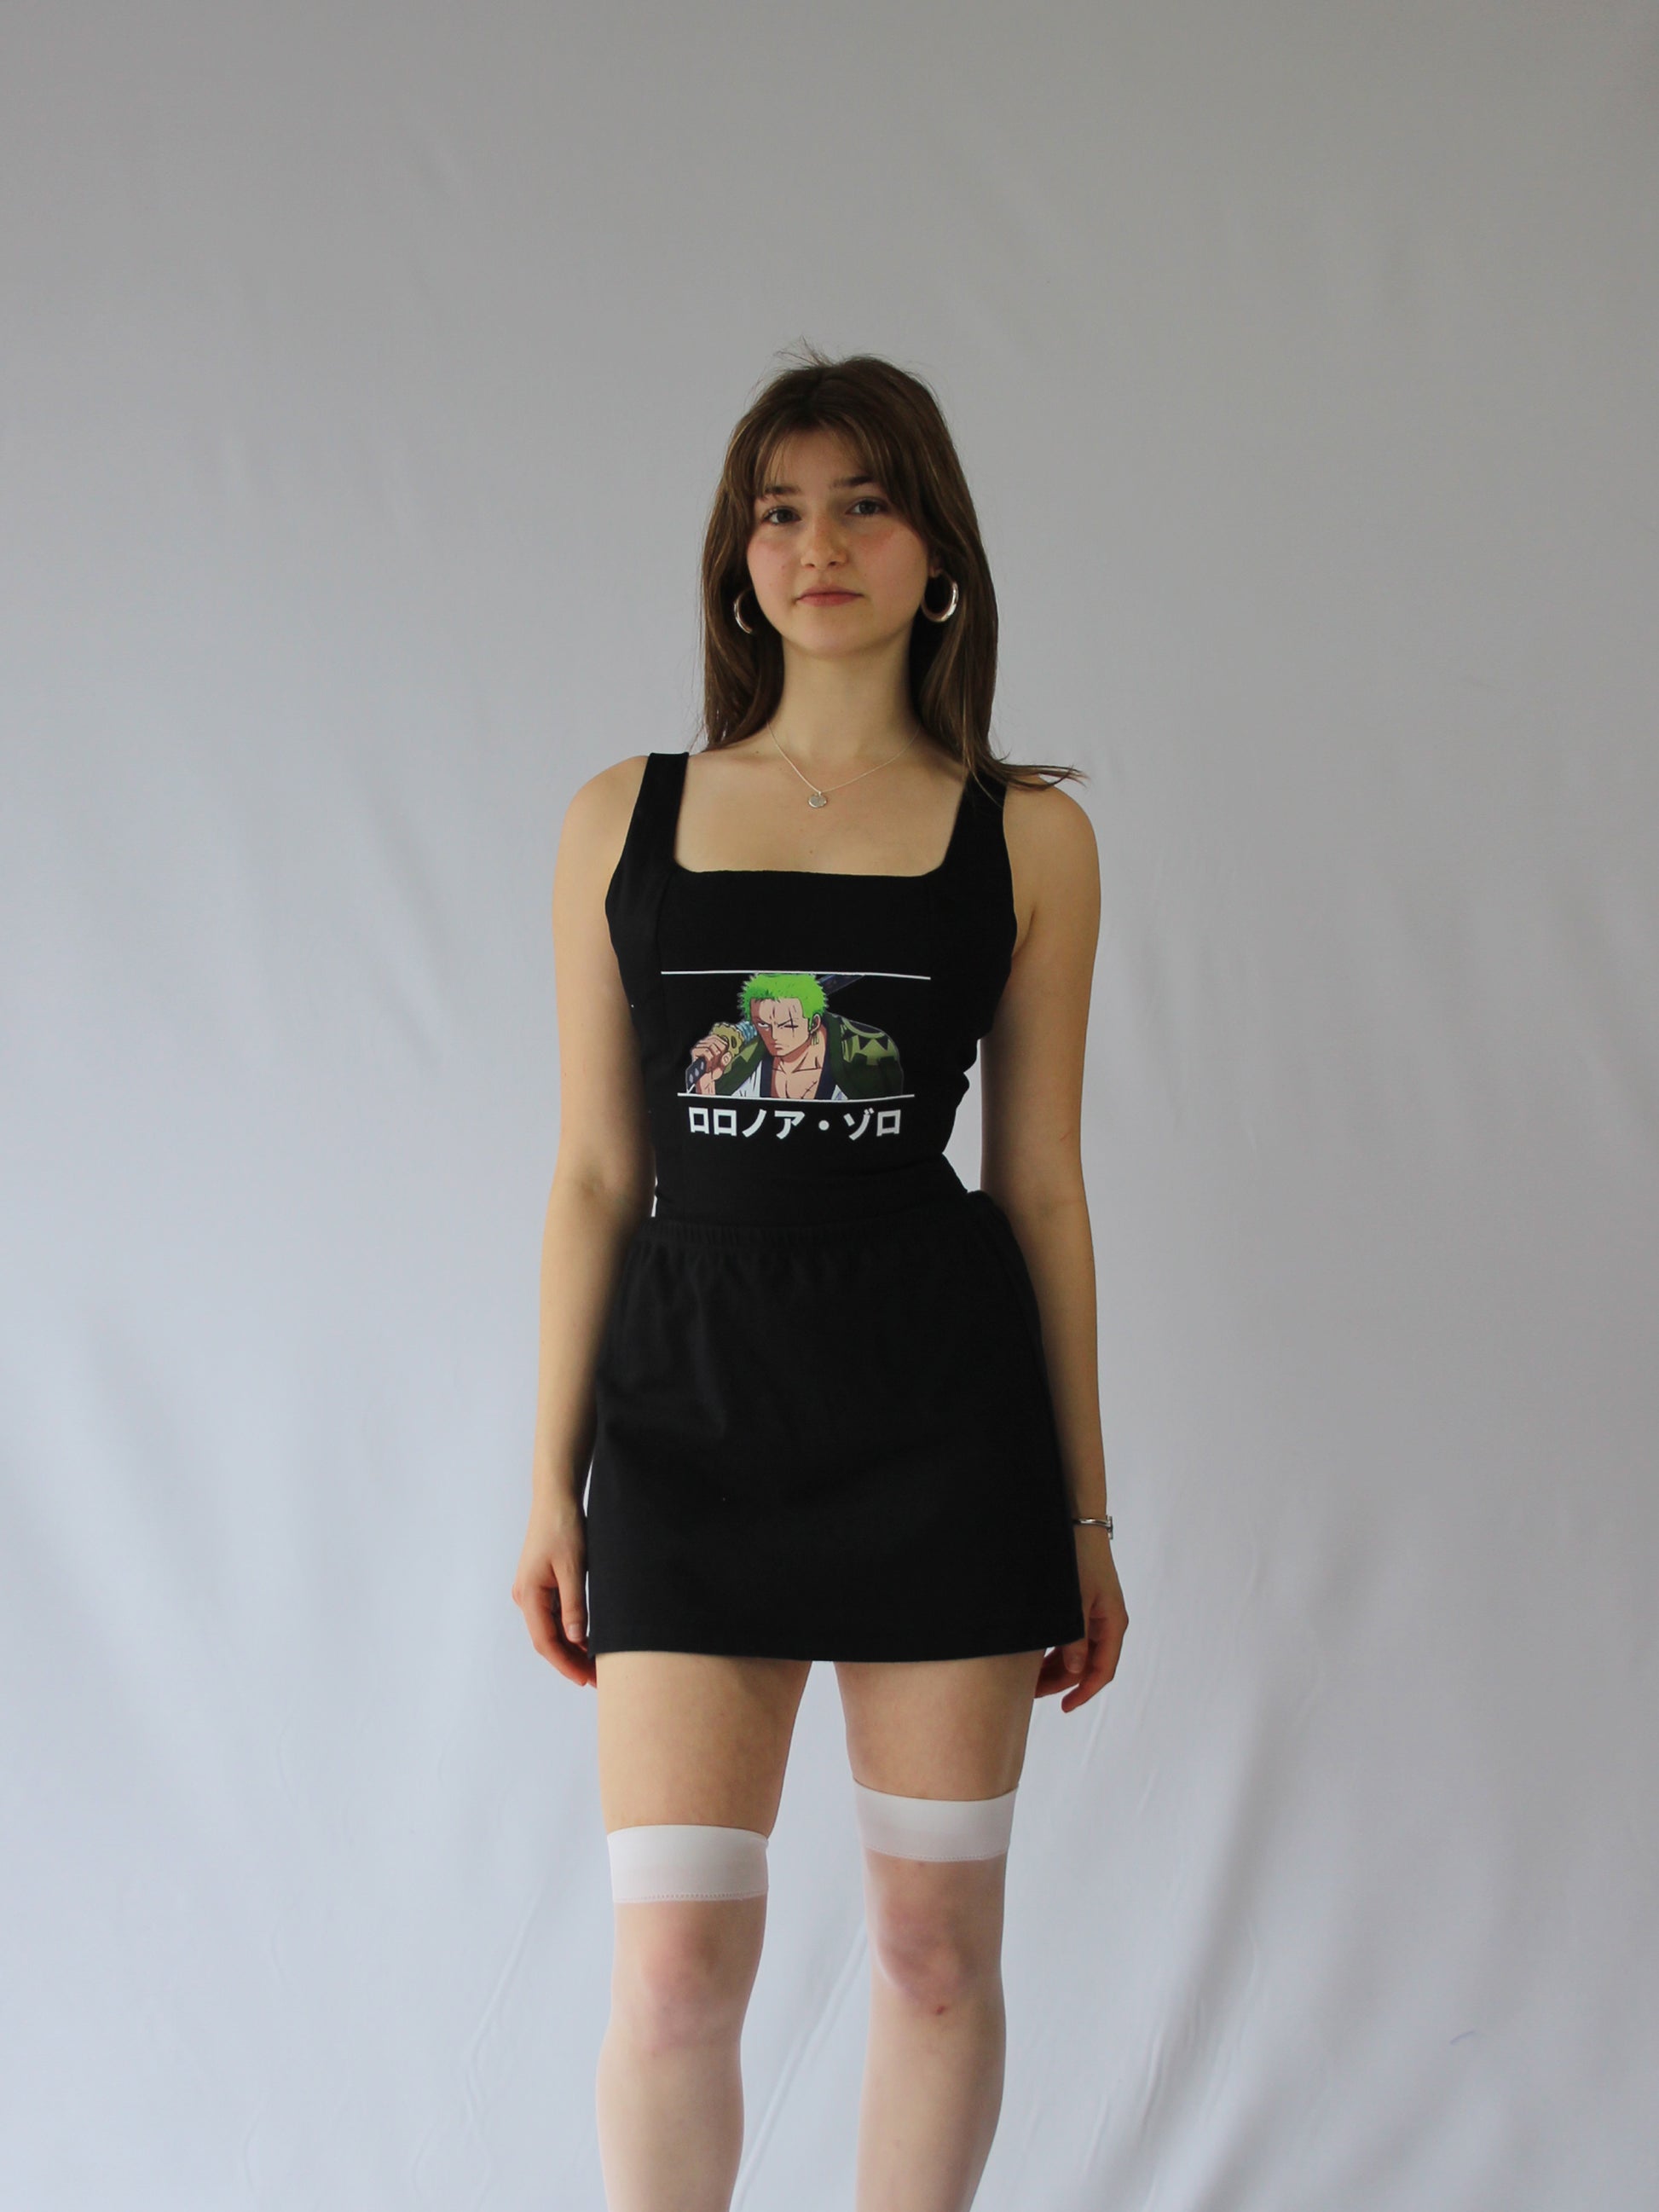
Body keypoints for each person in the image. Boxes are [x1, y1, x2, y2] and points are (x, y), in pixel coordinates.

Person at [512, 346, 1129, 2212]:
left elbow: (1040, 1188)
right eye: (778, 511)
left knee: (931, 1956)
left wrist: (1084, 1516)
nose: (819, 544)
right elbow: (596, 1174)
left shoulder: (1027, 835)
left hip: (941, 1422)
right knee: (671, 1973)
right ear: (736, 559)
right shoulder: (621, 815)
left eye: (864, 503)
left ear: (937, 552)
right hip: (686, 1419)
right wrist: (548, 1483)